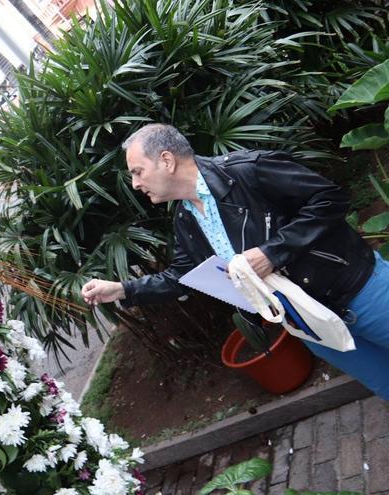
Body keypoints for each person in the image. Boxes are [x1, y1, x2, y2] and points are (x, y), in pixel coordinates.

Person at [81, 123, 389, 400]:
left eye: (137, 171)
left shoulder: (248, 171)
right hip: (308, 322)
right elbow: (181, 276)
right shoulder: (186, 219)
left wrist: (273, 252)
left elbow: (329, 199)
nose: (135, 183)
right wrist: (122, 290)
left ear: (166, 160)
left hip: (360, 292)